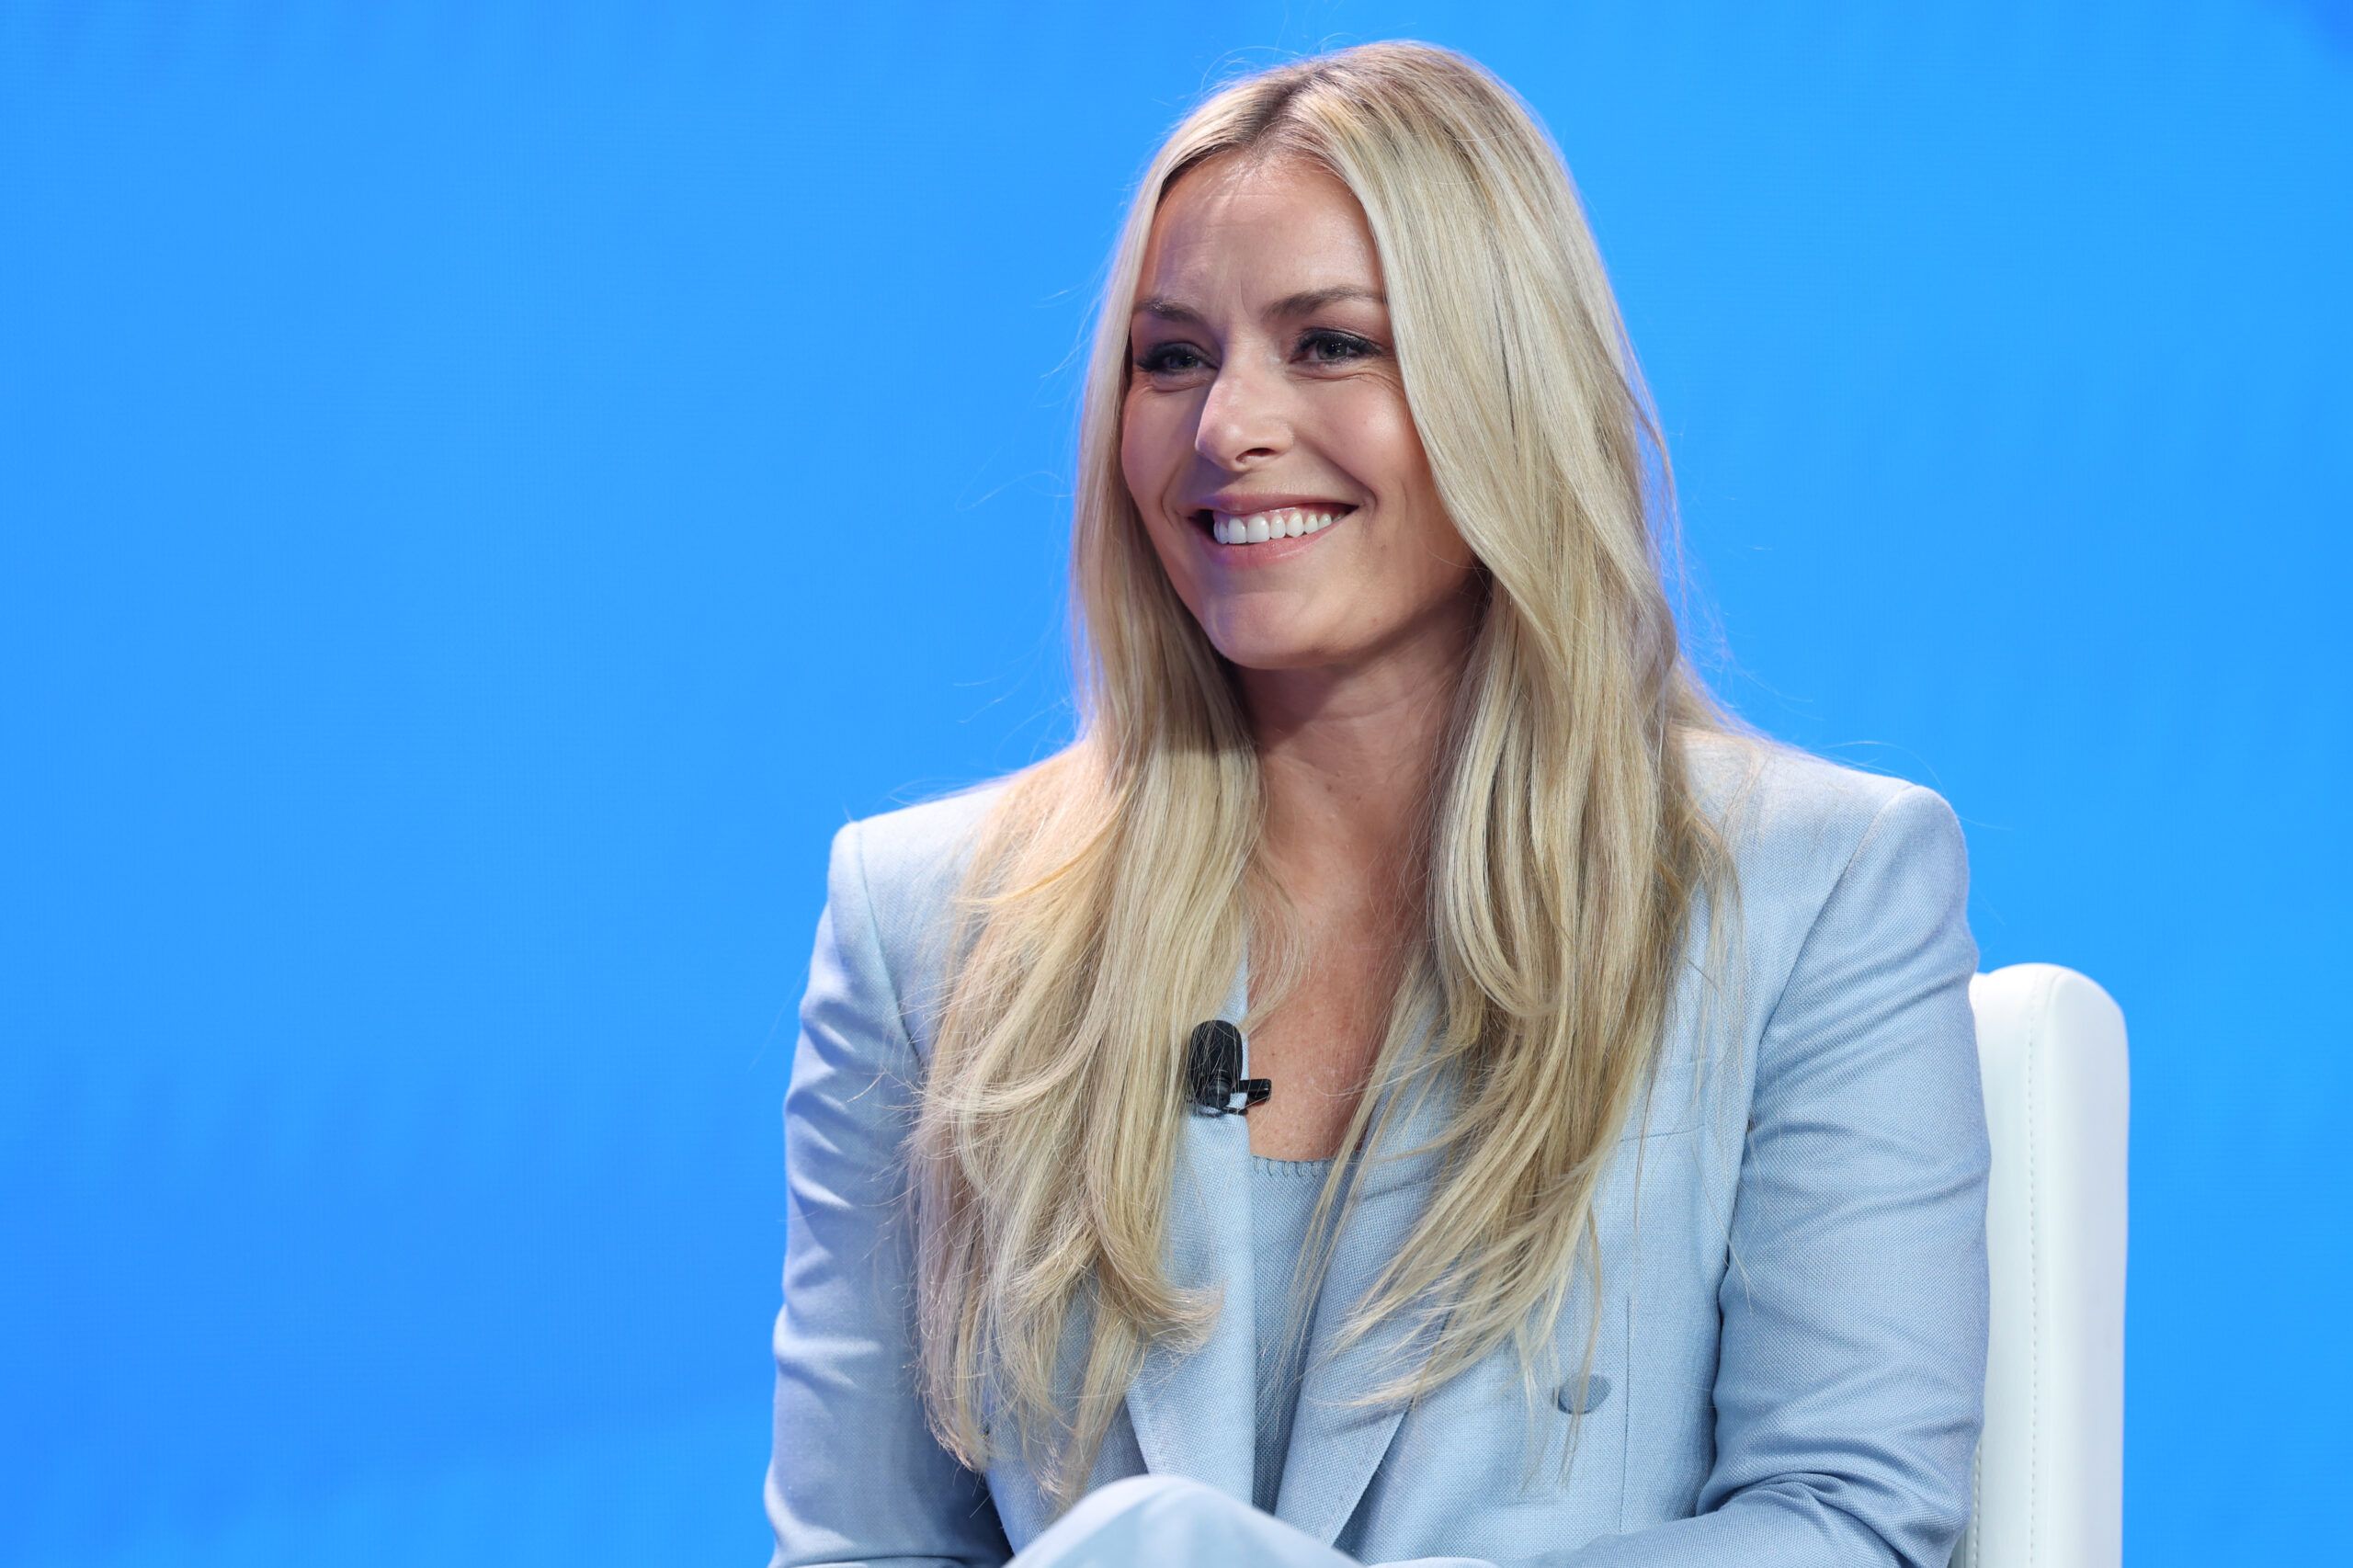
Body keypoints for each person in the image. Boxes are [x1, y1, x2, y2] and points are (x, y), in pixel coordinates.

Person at [763, 39, 1989, 1568]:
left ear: (1503, 383)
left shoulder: (1818, 884)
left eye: (1332, 343)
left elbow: (1848, 1527)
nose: (1226, 430)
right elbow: (863, 1549)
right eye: (1171, 356)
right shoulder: (923, 919)